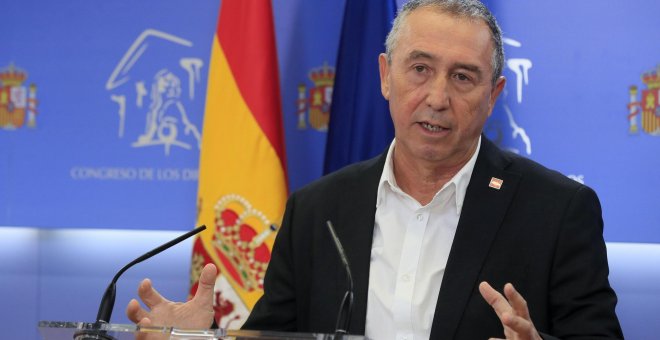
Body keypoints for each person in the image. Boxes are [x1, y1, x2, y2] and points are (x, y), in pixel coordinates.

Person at [126, 0, 623, 339]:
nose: (437, 97)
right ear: (386, 76)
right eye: (420, 68)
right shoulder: (317, 208)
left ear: (492, 96)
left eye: (463, 77)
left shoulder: (556, 210)